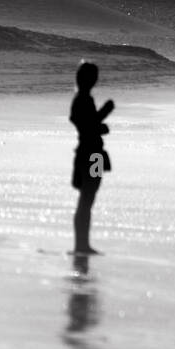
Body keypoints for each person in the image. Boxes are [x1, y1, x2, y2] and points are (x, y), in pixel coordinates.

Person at [69, 62, 112, 255]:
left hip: (89, 153)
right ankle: (82, 245)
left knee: (87, 198)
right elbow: (89, 125)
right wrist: (105, 112)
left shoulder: (82, 98)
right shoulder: (83, 99)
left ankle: (82, 243)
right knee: (88, 197)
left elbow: (85, 123)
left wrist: (100, 123)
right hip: (93, 154)